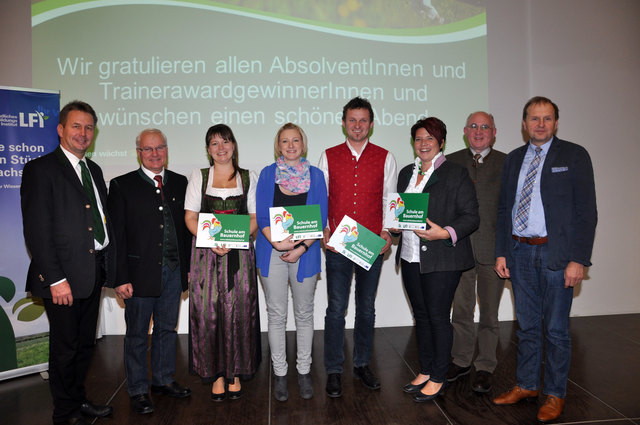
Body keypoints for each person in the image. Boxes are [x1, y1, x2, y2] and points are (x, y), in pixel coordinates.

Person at [493, 97, 597, 422]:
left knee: (555, 330)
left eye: (547, 118)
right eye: (534, 118)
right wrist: (501, 251)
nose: (540, 124)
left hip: (558, 254)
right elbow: (503, 210)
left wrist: (579, 259)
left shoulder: (575, 155)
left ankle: (555, 394)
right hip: (520, 252)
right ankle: (526, 384)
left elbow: (586, 212)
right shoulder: (512, 159)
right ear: (524, 124)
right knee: (525, 327)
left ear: (556, 123)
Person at [21, 100, 116, 425]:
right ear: (61, 129)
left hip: (92, 273)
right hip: (62, 279)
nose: (83, 133)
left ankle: (78, 400)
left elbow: (98, 222)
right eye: (76, 126)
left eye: (89, 127)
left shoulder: (94, 170)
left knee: (85, 345)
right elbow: (37, 231)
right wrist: (56, 278)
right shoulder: (40, 169)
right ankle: (64, 413)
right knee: (65, 349)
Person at [393, 117, 479, 402]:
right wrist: (393, 223)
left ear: (441, 142)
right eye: (418, 139)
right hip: (409, 256)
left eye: (430, 138)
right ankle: (427, 369)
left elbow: (471, 217)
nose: (424, 143)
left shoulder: (456, 173)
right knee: (421, 317)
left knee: (439, 318)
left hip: (442, 258)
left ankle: (440, 375)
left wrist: (445, 233)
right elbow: (400, 212)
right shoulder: (406, 173)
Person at [107, 129, 192, 415]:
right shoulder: (121, 185)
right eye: (148, 149)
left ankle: (164, 380)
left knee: (167, 329)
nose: (154, 153)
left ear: (167, 150)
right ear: (139, 152)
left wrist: (190, 269)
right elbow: (115, 235)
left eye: (159, 148)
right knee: (137, 335)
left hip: (173, 270)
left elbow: (188, 231)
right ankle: (138, 390)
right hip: (138, 275)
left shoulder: (181, 183)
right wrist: (119, 277)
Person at [318, 97, 397, 397]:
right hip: (339, 245)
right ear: (343, 123)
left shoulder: (385, 157)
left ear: (372, 124)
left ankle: (362, 364)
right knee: (336, 310)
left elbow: (390, 200)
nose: (358, 125)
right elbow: (321, 197)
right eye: (352, 120)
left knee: (366, 309)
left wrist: (387, 234)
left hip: (370, 246)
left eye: (363, 120)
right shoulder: (328, 156)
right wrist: (323, 228)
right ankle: (334, 370)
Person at [184, 124, 261, 402]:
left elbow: (254, 217)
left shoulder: (248, 177)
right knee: (209, 313)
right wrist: (213, 239)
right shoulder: (199, 176)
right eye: (214, 143)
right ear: (208, 149)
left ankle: (235, 371)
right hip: (206, 253)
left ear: (233, 145)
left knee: (240, 311)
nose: (221, 148)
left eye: (225, 142)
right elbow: (190, 216)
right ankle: (216, 373)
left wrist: (234, 237)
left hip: (239, 253)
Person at [256, 123, 328, 401]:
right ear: (278, 146)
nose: (290, 145)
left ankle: (304, 371)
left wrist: (300, 248)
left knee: (304, 313)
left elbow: (320, 219)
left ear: (303, 144)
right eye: (284, 141)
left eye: (295, 140)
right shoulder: (266, 174)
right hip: (270, 251)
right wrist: (276, 242)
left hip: (305, 253)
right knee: (276, 315)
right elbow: (262, 217)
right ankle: (281, 373)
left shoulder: (316, 176)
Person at [446, 112, 506, 393]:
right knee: (461, 311)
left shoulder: (508, 163)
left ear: (494, 132)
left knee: (490, 315)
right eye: (473, 126)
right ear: (465, 131)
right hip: (459, 250)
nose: (479, 131)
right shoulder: (451, 161)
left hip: (494, 252)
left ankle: (485, 366)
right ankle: (461, 360)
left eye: (485, 127)